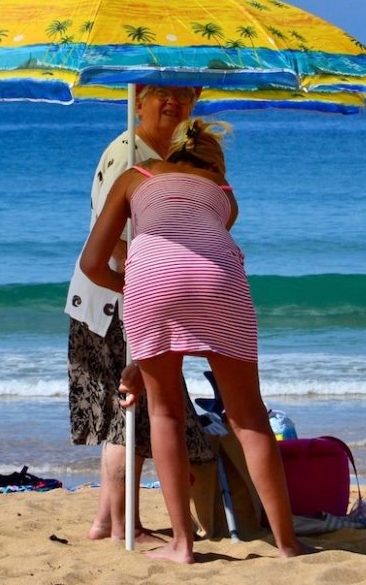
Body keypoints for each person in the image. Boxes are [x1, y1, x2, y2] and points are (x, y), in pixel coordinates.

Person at [81, 119, 306, 562]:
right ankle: (288, 544)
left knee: (164, 412)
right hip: (220, 276)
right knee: (249, 417)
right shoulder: (223, 192)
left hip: (150, 274)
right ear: (213, 162)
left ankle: (182, 545)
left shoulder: (135, 176)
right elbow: (202, 239)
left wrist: (131, 286)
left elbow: (92, 263)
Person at [65, 85, 214, 542]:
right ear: (139, 99)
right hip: (111, 304)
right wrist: (141, 270)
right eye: (161, 94)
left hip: (125, 297)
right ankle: (123, 525)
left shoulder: (169, 152)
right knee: (128, 416)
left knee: (135, 413)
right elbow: (106, 235)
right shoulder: (128, 151)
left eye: (183, 94)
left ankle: (106, 521)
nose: (173, 102)